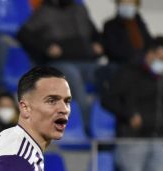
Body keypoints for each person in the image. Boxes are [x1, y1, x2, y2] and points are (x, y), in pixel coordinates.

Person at [17, 0, 103, 133]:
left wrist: (98, 43)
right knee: (72, 76)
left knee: (107, 73)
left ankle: (108, 126)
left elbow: (95, 33)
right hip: (60, 63)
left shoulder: (80, 10)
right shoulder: (45, 11)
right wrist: (46, 47)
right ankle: (86, 127)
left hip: (86, 61)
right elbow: (24, 34)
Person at [101, 37, 163, 171]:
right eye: (160, 59)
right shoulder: (129, 72)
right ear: (150, 54)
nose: (162, 64)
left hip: (158, 139)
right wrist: (129, 115)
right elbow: (108, 99)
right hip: (132, 140)